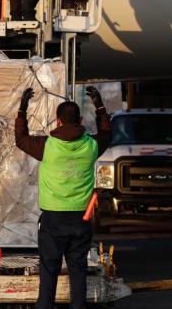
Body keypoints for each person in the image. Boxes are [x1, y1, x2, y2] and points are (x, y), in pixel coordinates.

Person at [15, 86, 111, 309]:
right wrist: (99, 107)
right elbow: (107, 133)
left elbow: (21, 139)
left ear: (58, 121)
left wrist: (22, 109)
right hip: (81, 219)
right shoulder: (91, 146)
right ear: (79, 120)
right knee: (78, 270)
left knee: (49, 270)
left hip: (53, 219)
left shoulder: (47, 146)